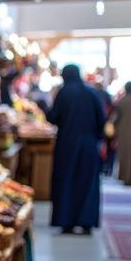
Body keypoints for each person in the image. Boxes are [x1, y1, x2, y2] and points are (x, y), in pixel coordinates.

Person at [47, 64, 106, 235]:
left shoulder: (64, 93)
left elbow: (53, 117)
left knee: (66, 180)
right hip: (89, 144)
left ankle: (66, 221)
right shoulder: (92, 93)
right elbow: (102, 120)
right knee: (87, 181)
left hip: (67, 143)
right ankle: (86, 221)